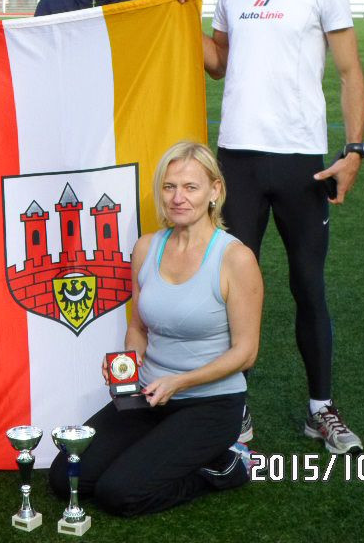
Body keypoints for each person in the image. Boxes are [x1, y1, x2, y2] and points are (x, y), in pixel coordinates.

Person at [201, 0, 364, 455]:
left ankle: (319, 409)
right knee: (228, 291)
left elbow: (349, 72)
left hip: (301, 162)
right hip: (238, 161)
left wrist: (354, 149)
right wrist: (178, 22)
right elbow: (216, 62)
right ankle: (233, 411)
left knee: (307, 286)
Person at [48, 141, 263, 517]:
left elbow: (246, 353)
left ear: (215, 191)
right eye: (169, 186)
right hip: (147, 395)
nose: (178, 197)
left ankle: (229, 465)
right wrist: (128, 362)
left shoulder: (235, 258)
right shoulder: (148, 248)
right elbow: (138, 326)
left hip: (209, 403)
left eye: (190, 187)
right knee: (66, 478)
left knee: (121, 495)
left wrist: (179, 382)